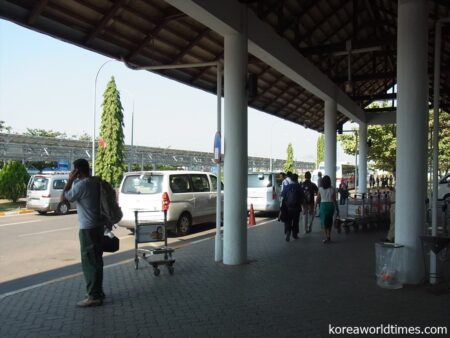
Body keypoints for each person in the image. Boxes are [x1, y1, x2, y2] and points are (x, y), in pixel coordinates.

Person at [62, 159, 105, 307]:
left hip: (88, 228)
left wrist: (69, 180)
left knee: (89, 263)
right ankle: (98, 291)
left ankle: (93, 296)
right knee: (97, 261)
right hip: (99, 226)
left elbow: (65, 196)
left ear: (77, 171)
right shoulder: (95, 182)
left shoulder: (82, 185)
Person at [281, 173, 304, 241]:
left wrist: (281, 208)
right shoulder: (299, 187)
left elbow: (282, 197)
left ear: (291, 179)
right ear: (297, 179)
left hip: (288, 208)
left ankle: (288, 232)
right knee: (295, 221)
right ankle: (295, 234)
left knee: (288, 221)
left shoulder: (287, 187)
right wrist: (303, 207)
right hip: (296, 208)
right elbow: (302, 197)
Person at [315, 175, 338, 244]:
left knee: (324, 222)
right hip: (331, 206)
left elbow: (318, 199)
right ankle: (329, 236)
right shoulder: (332, 189)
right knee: (329, 221)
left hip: (323, 206)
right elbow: (334, 199)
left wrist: (315, 206)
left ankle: (326, 237)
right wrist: (337, 208)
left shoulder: (320, 189)